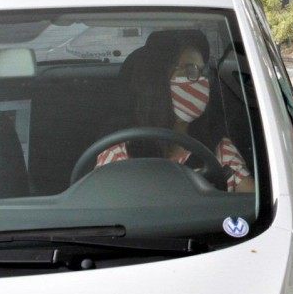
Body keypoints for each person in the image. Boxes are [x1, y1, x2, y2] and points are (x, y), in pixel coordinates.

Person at [96, 30, 254, 193]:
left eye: (202, 71)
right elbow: (99, 211)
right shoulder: (119, 154)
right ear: (158, 81)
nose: (201, 81)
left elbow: (252, 203)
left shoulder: (218, 150)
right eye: (190, 70)